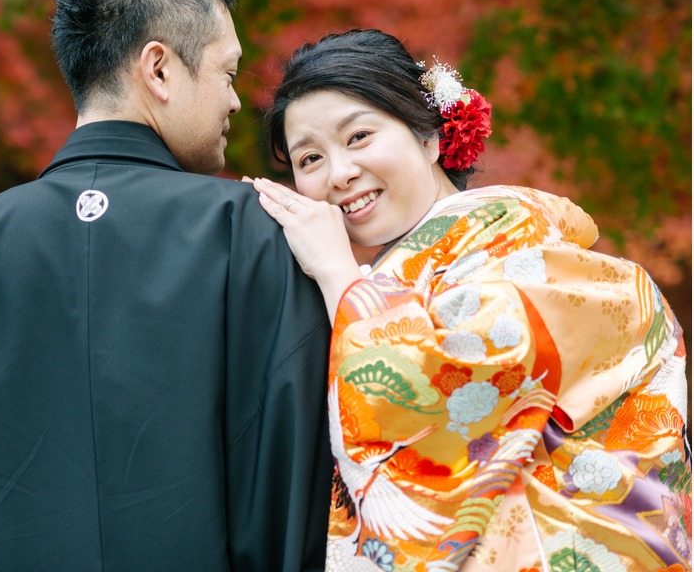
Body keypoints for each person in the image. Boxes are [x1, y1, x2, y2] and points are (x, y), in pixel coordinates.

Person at [0, 0, 334, 571]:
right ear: (159, 69)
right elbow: (291, 480)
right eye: (227, 73)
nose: (234, 99)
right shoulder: (256, 230)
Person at [252, 28, 691, 571]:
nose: (339, 174)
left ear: (429, 137)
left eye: (359, 136)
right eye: (310, 159)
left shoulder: (517, 240)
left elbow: (439, 386)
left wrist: (338, 273)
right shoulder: (396, 276)